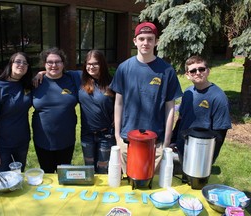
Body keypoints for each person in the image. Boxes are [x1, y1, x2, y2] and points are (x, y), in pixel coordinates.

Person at [109, 22, 183, 174]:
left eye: (150, 39)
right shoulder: (124, 68)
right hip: (127, 140)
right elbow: (118, 103)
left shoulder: (167, 71)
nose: (146, 43)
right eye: (141, 39)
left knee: (151, 186)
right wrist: (117, 136)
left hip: (155, 142)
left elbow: (170, 108)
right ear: (135, 41)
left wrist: (166, 142)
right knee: (129, 185)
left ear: (156, 41)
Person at [171, 55, 232, 164]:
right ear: (187, 75)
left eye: (201, 69)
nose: (198, 73)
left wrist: (210, 158)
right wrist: (173, 140)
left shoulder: (218, 97)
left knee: (195, 180)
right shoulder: (188, 92)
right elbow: (181, 119)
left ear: (208, 71)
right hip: (182, 146)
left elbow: (220, 132)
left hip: (201, 151)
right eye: (193, 71)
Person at [32, 47, 81, 173]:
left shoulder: (73, 78)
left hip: (66, 140)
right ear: (44, 64)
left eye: (58, 62)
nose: (54, 65)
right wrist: (41, 73)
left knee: (64, 176)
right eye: (50, 62)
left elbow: (93, 73)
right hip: (42, 140)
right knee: (47, 176)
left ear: (63, 64)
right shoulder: (36, 82)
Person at [0, 52, 33, 172]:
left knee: (18, 178)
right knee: (3, 183)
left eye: (25, 63)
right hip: (3, 146)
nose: (21, 65)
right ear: (10, 64)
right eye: (18, 61)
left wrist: (42, 73)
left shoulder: (26, 85)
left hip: (22, 142)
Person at [79, 50, 116, 174]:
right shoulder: (79, 79)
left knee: (103, 170)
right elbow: (57, 71)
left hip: (106, 135)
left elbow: (122, 103)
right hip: (87, 134)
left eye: (95, 64)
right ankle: (90, 193)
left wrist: (117, 118)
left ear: (102, 65)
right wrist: (41, 73)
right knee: (88, 170)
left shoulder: (112, 83)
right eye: (88, 64)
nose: (91, 67)